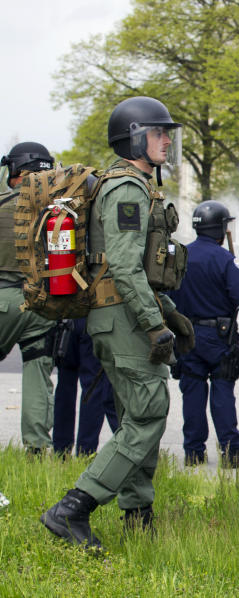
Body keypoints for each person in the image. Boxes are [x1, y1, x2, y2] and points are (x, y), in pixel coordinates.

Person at [41, 96, 195, 549]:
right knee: (148, 415)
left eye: (168, 132)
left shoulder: (138, 185)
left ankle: (137, 515)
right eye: (158, 132)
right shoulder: (127, 189)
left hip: (119, 316)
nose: (167, 139)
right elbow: (125, 268)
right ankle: (73, 509)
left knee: (134, 415)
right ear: (134, 138)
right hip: (124, 318)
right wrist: (154, 324)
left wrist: (168, 315)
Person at [167, 200, 239, 468]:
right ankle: (231, 451)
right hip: (219, 335)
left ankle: (193, 451)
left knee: (192, 391)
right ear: (219, 229)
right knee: (223, 391)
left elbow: (169, 294)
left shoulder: (182, 255)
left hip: (187, 334)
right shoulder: (225, 259)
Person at [0, 142, 56, 453]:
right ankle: (37, 450)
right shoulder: (59, 210)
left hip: (1, 300)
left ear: (15, 170)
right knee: (38, 374)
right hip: (41, 306)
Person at [52, 318, 119, 456]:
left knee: (65, 386)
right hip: (93, 321)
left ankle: (61, 451)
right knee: (93, 388)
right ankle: (85, 452)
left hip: (65, 319)